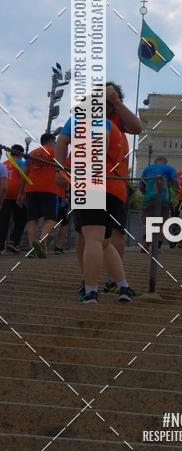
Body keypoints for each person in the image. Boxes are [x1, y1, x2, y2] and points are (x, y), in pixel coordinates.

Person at [56, 114, 134, 303]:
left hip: (93, 184)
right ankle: (123, 287)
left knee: (92, 238)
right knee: (105, 242)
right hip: (116, 189)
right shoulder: (113, 127)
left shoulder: (84, 119)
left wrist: (60, 169)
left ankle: (90, 291)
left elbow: (62, 141)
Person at [102, 82, 142, 291]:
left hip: (117, 182)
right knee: (86, 232)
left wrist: (116, 103)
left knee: (116, 231)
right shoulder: (90, 115)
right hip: (92, 181)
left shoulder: (119, 116)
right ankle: (87, 279)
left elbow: (137, 128)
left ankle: (113, 280)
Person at [17, 133, 61, 258]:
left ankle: (32, 249)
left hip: (31, 190)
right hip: (49, 190)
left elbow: (24, 174)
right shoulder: (54, 152)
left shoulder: (32, 153)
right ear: (51, 141)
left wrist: (20, 193)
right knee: (51, 219)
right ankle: (41, 242)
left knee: (32, 220)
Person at [140, 156, 177, 252]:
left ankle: (146, 243)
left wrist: (145, 193)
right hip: (164, 199)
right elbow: (175, 183)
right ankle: (157, 247)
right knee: (162, 223)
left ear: (155, 161)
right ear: (166, 162)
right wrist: (174, 197)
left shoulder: (147, 169)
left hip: (149, 198)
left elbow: (141, 185)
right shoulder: (170, 169)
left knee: (147, 221)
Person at [0, 145, 28, 254]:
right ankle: (14, 242)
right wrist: (23, 193)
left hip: (4, 195)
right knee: (22, 218)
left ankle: (1, 246)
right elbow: (24, 178)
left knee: (3, 221)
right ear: (21, 153)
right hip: (16, 194)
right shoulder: (21, 163)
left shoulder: (4, 164)